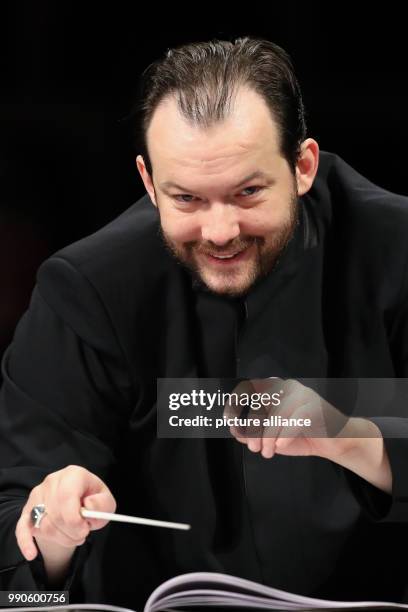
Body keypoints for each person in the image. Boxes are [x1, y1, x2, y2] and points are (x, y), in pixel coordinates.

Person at [1, 36, 408, 608]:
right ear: (148, 182)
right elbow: (18, 553)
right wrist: (51, 536)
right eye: (187, 198)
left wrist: (349, 436)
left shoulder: (396, 251)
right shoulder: (87, 291)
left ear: (303, 165)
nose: (220, 232)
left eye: (248, 192)